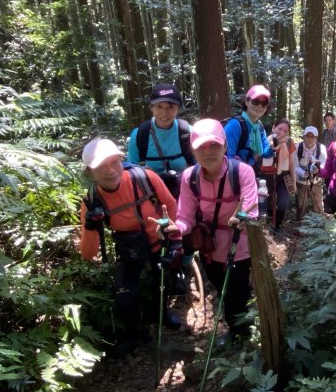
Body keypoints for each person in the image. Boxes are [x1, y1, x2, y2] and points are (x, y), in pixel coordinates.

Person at [79, 138, 183, 357]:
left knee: (162, 283)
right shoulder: (92, 200)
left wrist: (173, 240)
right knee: (124, 297)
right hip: (129, 250)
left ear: (121, 160)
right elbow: (88, 254)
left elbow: (171, 206)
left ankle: (160, 313)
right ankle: (132, 333)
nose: (110, 171)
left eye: (114, 162)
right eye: (100, 166)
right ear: (90, 172)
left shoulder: (145, 178)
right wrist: (90, 225)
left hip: (158, 243)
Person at [175, 119, 259, 348]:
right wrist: (175, 229)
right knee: (223, 290)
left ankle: (241, 335)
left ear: (224, 146)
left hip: (239, 246)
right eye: (201, 147)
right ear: (193, 150)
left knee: (237, 293)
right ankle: (240, 330)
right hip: (210, 248)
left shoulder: (243, 172)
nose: (208, 151)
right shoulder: (189, 177)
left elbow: (251, 210)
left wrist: (241, 219)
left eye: (214, 145)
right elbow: (185, 216)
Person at [127, 83, 195, 198]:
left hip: (186, 195)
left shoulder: (188, 132)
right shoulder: (139, 135)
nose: (164, 112)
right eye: (159, 106)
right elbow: (131, 172)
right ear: (151, 108)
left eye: (170, 107)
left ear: (178, 108)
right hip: (150, 196)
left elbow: (201, 168)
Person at [224, 84, 273, 170]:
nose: (260, 106)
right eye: (255, 101)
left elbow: (265, 153)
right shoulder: (235, 125)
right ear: (246, 102)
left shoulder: (259, 126)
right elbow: (228, 159)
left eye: (264, 103)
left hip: (249, 172)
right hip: (234, 175)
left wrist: (273, 147)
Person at [268, 119, 297, 230]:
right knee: (268, 201)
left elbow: (291, 163)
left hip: (283, 175)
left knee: (283, 202)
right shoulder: (266, 140)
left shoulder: (289, 143)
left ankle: (278, 225)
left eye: (285, 131)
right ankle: (269, 225)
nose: (282, 133)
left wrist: (293, 183)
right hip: (268, 175)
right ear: (273, 127)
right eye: (280, 129)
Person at [293, 126, 327, 217]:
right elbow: (294, 165)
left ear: (316, 138)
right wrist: (303, 173)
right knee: (300, 205)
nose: (310, 139)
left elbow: (324, 164)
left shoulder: (321, 148)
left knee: (318, 205)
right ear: (304, 136)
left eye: (313, 136)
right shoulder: (297, 147)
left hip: (316, 181)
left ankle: (319, 224)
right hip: (300, 181)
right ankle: (301, 223)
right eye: (308, 136)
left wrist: (317, 168)